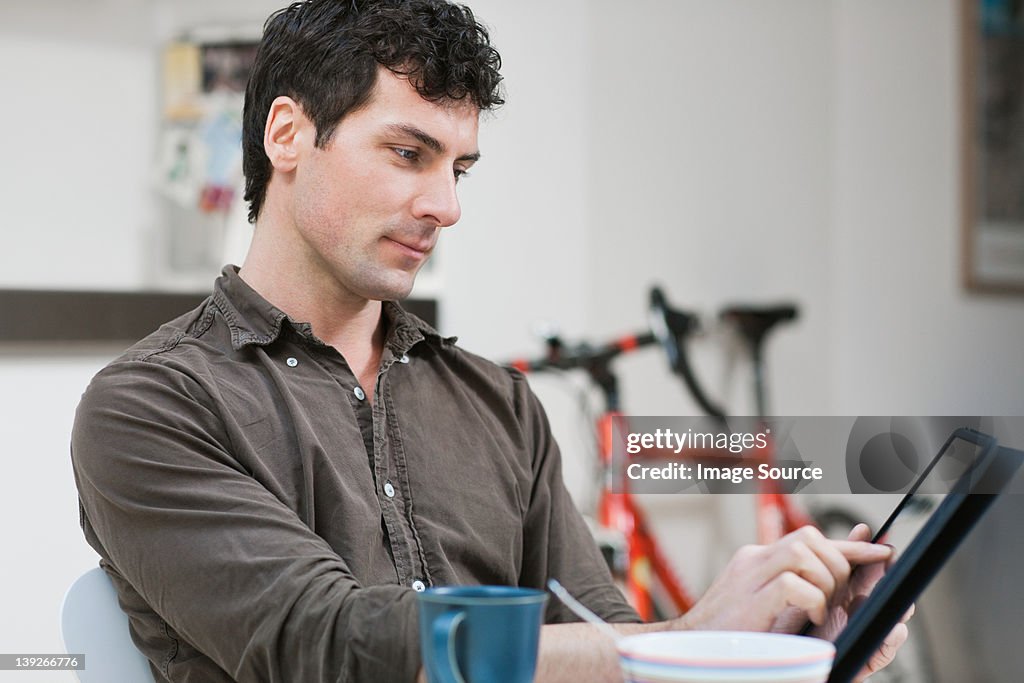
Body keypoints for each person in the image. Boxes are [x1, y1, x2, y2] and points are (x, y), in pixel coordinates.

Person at [71, 1, 908, 681]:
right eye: (408, 153)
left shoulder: (499, 404)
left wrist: (774, 654)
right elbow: (329, 645)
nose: (446, 205)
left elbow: (599, 640)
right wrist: (684, 638)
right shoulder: (152, 407)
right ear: (288, 135)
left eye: (458, 169)